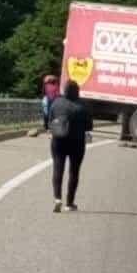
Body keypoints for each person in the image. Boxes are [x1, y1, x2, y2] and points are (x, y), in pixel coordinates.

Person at [48, 80, 93, 213]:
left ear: (64, 90)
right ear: (77, 91)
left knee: (58, 168)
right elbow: (89, 126)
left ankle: (57, 199)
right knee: (74, 172)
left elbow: (50, 120)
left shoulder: (56, 103)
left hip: (58, 140)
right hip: (77, 142)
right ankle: (69, 203)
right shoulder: (83, 105)